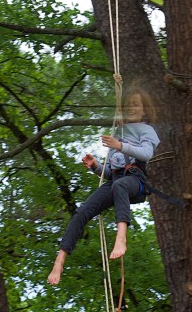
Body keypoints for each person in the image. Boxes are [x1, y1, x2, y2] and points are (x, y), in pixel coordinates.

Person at [47, 89, 159, 286]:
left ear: (144, 110)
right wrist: (95, 166)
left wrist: (119, 145)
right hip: (115, 181)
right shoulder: (119, 133)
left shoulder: (146, 130)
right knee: (82, 211)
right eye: (128, 105)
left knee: (120, 185)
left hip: (135, 180)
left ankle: (121, 238)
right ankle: (60, 260)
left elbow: (147, 153)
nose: (131, 107)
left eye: (135, 104)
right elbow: (110, 172)